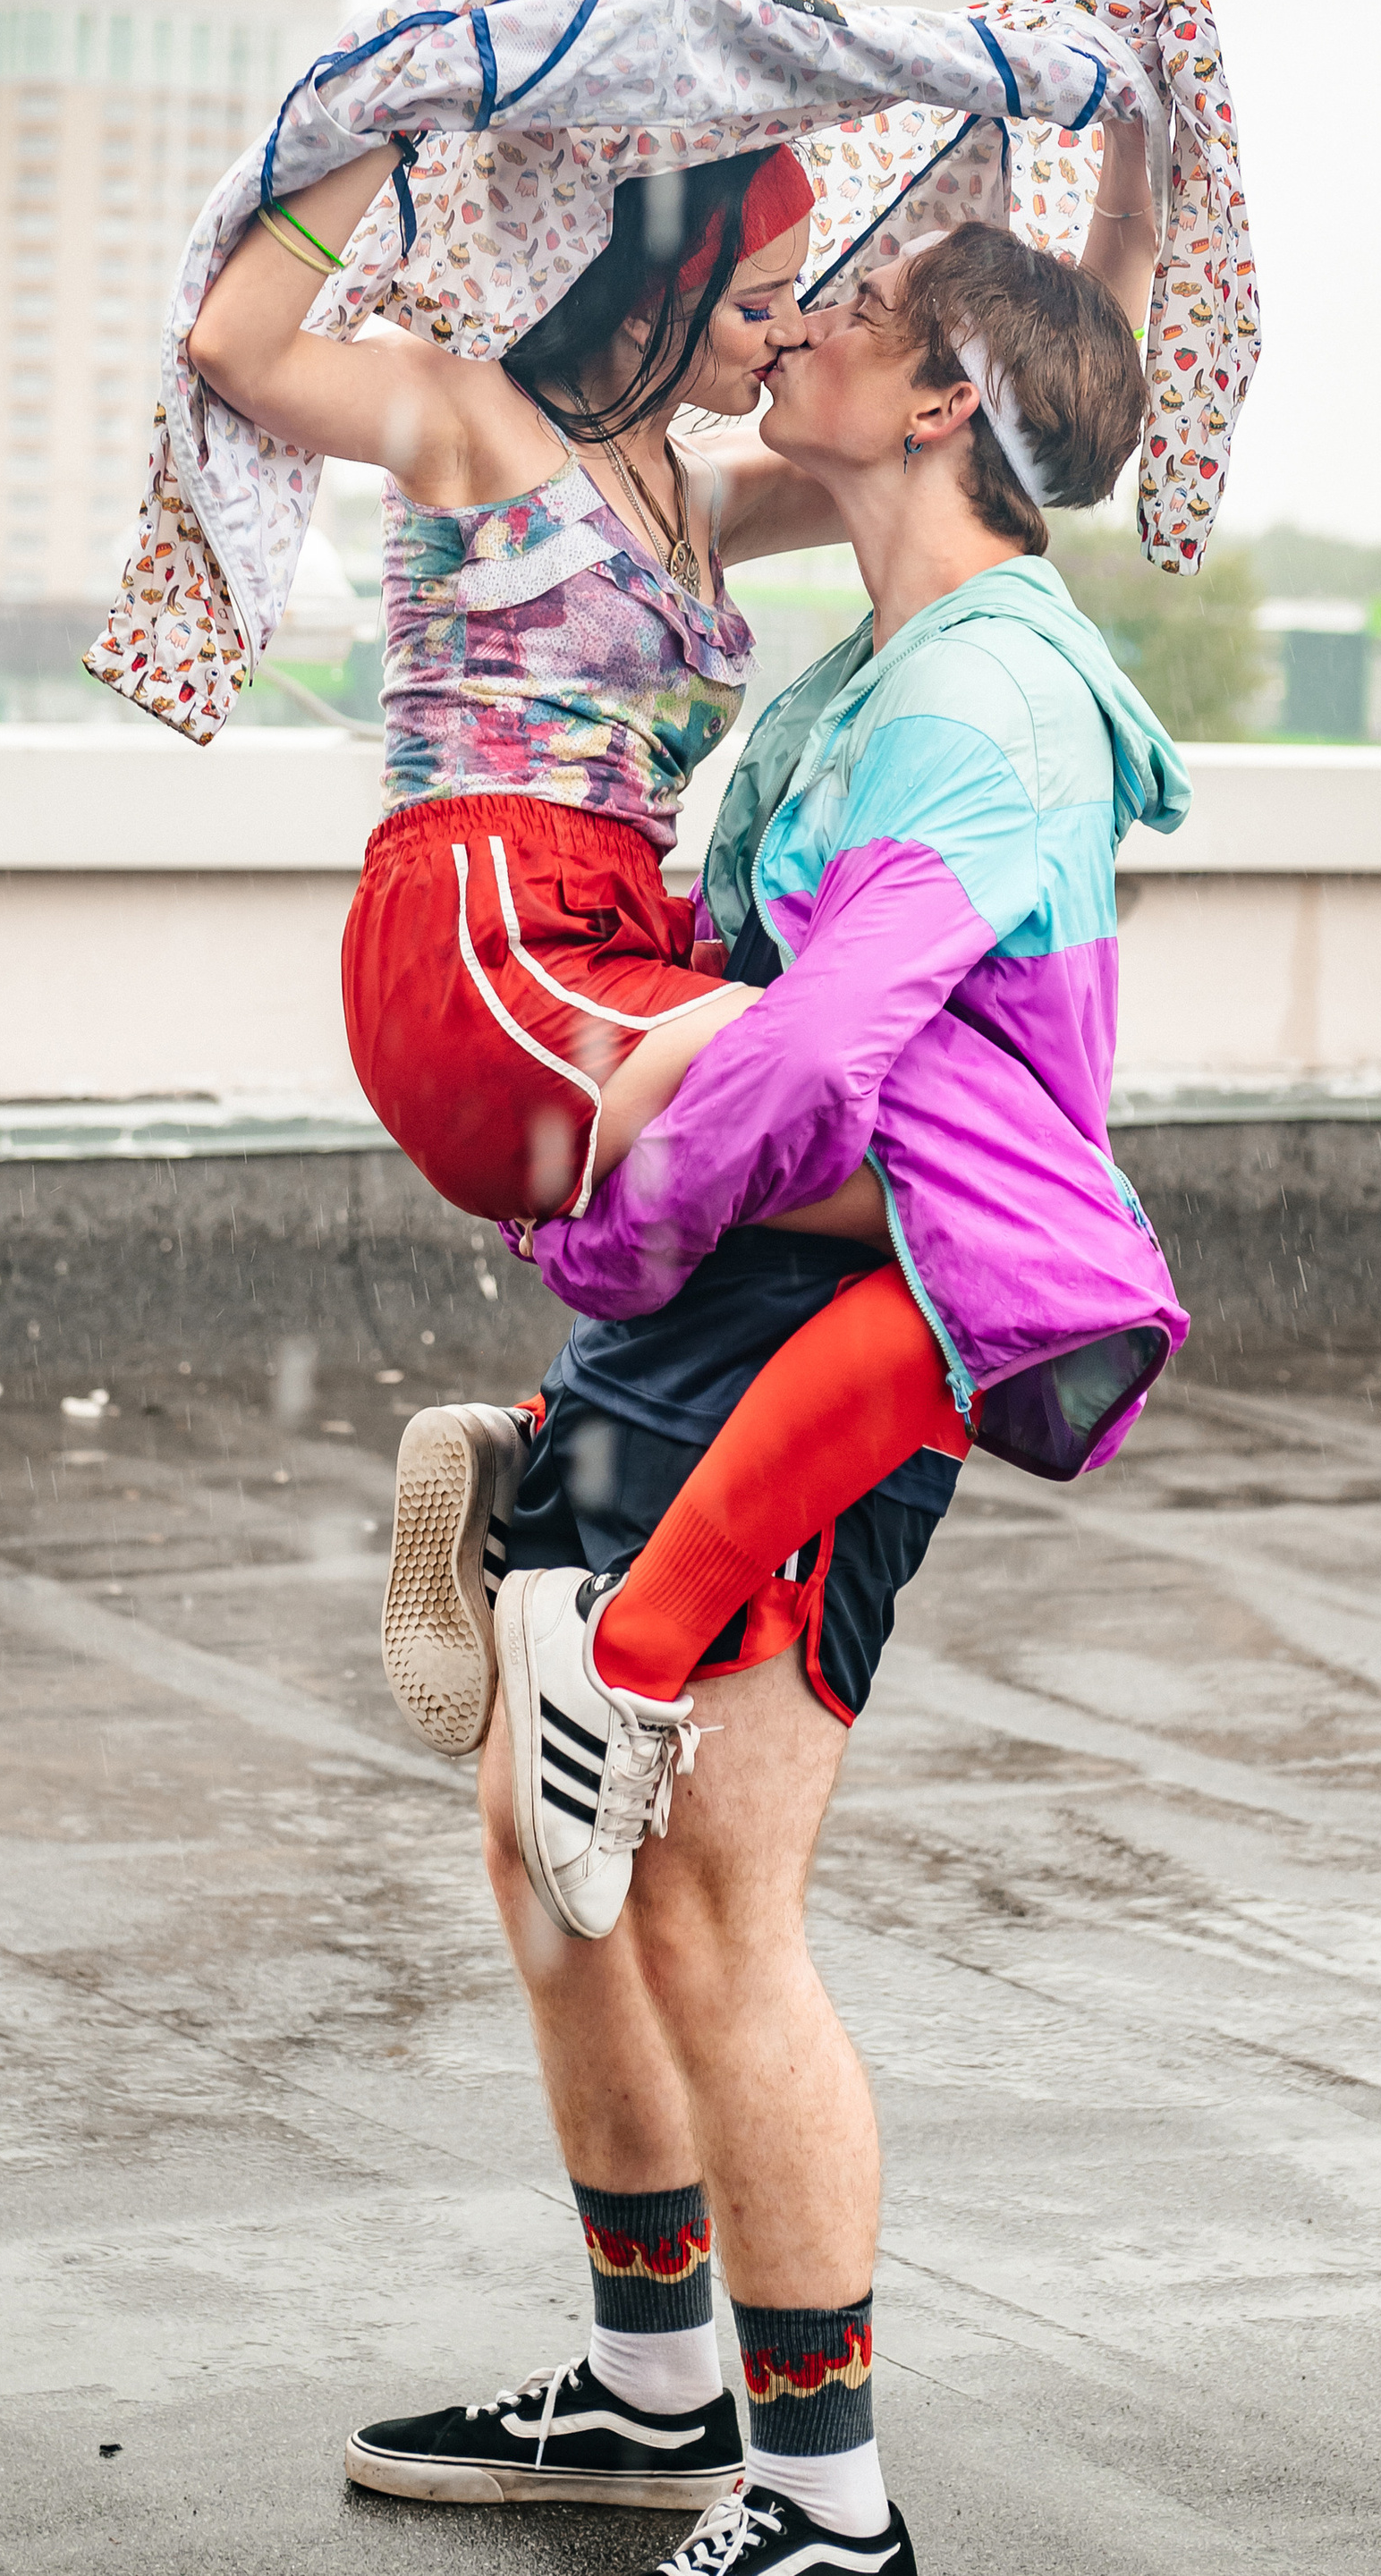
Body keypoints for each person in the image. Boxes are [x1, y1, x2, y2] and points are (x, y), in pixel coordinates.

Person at [343, 224, 1190, 2576]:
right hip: (694, 1317)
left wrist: (593, 1216)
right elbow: (978, 388)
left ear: (937, 409)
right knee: (545, 1834)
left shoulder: (984, 704)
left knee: (713, 1886)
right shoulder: (891, 647)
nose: (794, 326)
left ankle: (825, 2504)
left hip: (829, 1323)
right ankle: (646, 2393)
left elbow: (828, 1052)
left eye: (852, 314)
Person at [187, 123, 1164, 1772]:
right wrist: (386, 112)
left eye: (809, 306)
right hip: (482, 940)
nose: (789, 333)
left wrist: (1129, 176)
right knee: (973, 1220)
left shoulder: (691, 492)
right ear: (662, 277)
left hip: (602, 938)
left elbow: (1016, 435)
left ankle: (538, 1450)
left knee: (946, 1220)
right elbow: (237, 348)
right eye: (761, 303)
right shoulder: (479, 421)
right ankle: (615, 1639)